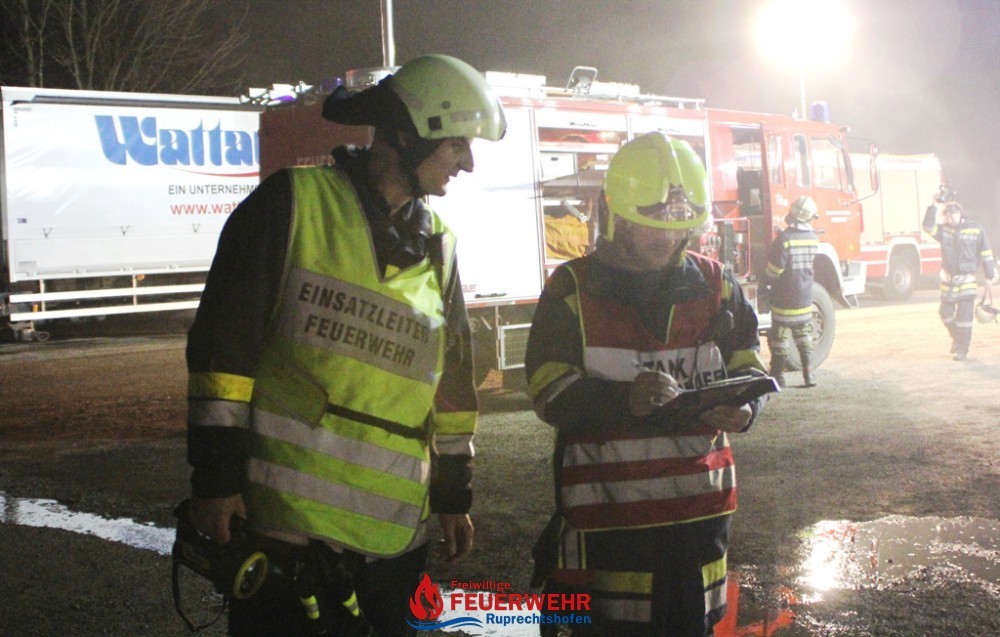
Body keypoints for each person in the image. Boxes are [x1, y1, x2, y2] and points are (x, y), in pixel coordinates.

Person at [184, 54, 506, 636]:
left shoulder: (441, 246)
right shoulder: (291, 204)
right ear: (407, 135)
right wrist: (217, 480)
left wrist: (453, 496)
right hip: (288, 531)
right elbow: (223, 353)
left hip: (395, 542)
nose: (468, 163)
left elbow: (452, 381)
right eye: (457, 144)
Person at [524, 132, 769, 637]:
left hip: (699, 523)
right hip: (607, 526)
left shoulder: (718, 285)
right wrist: (624, 400)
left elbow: (749, 367)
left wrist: (746, 409)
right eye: (651, 225)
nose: (666, 238)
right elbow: (548, 390)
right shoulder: (572, 289)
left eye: (679, 227)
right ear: (614, 215)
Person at [922, 188, 996, 360]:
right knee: (945, 313)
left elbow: (986, 253)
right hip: (948, 282)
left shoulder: (976, 229)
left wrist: (989, 275)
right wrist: (933, 205)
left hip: (967, 281)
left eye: (950, 217)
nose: (948, 220)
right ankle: (957, 339)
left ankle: (962, 350)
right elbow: (927, 226)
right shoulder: (944, 231)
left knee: (964, 319)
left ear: (958, 214)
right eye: (945, 218)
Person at [764, 196, 820, 387]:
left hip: (784, 299)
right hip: (804, 298)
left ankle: (777, 377)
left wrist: (764, 281)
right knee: (804, 336)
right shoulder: (813, 238)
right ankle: (809, 375)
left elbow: (775, 271)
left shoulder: (784, 239)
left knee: (779, 338)